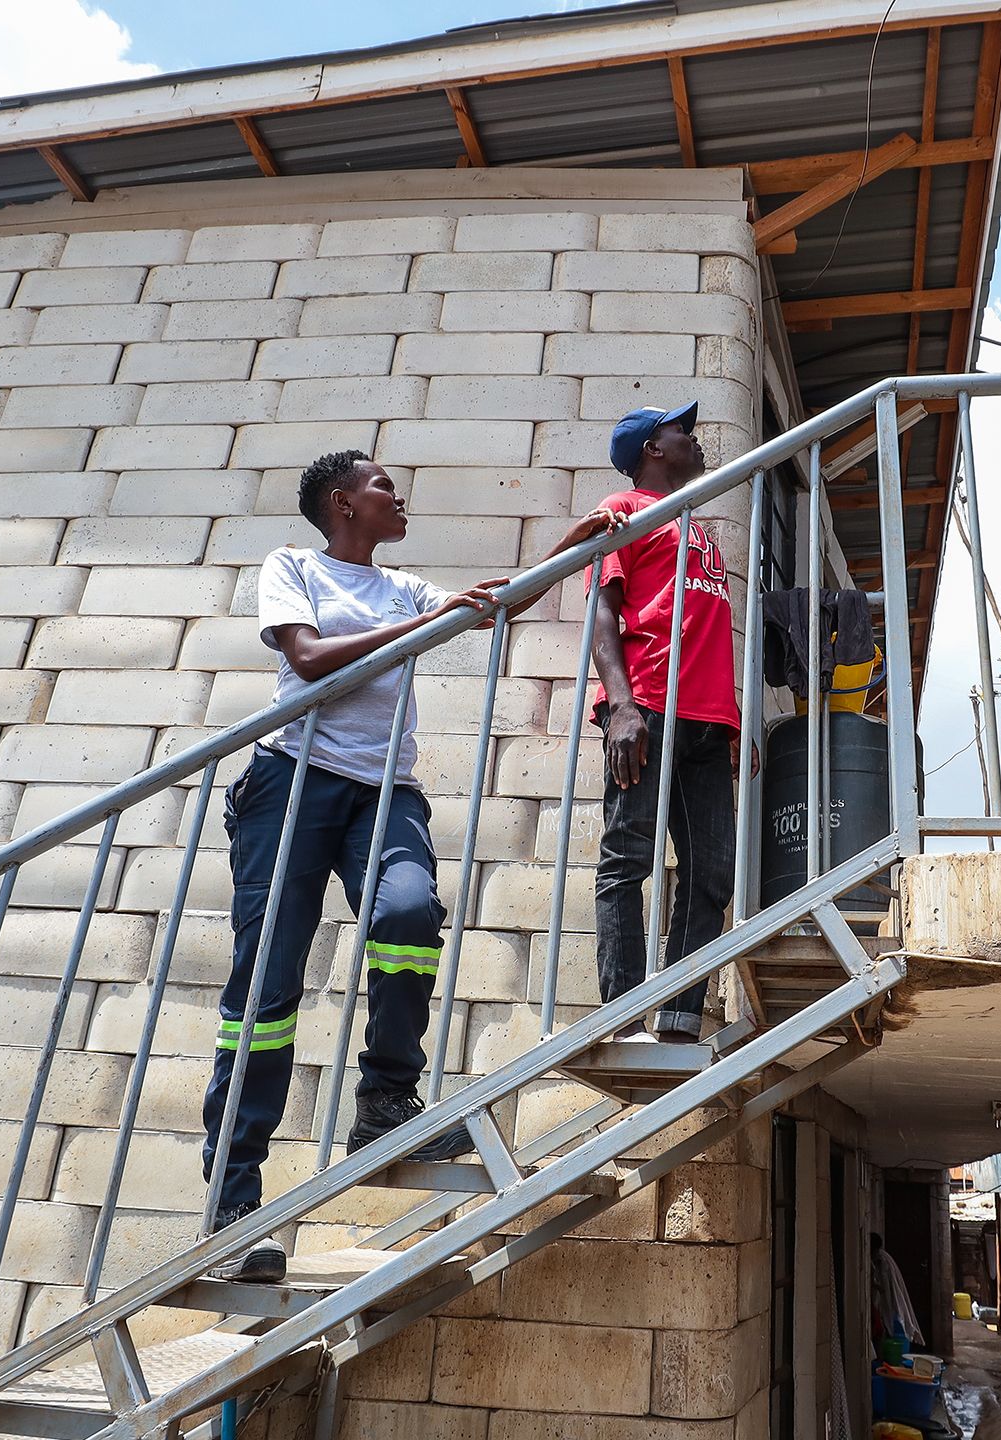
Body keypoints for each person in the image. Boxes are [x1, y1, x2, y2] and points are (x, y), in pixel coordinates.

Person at [205, 448, 620, 1281]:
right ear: (341, 503)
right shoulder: (294, 566)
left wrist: (568, 547)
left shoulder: (403, 588)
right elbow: (312, 659)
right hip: (293, 779)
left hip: (383, 790)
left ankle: (387, 1100)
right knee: (268, 986)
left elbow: (496, 606)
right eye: (384, 487)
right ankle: (232, 1207)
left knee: (406, 914)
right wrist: (423, 628)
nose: (401, 497)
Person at [589, 402, 739, 1045]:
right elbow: (602, 615)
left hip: (707, 722)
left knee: (712, 871)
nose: (694, 438)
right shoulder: (623, 510)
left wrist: (735, 723)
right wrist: (620, 704)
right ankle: (622, 1017)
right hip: (646, 706)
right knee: (628, 857)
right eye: (683, 430)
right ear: (653, 447)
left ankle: (680, 1015)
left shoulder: (693, 522)